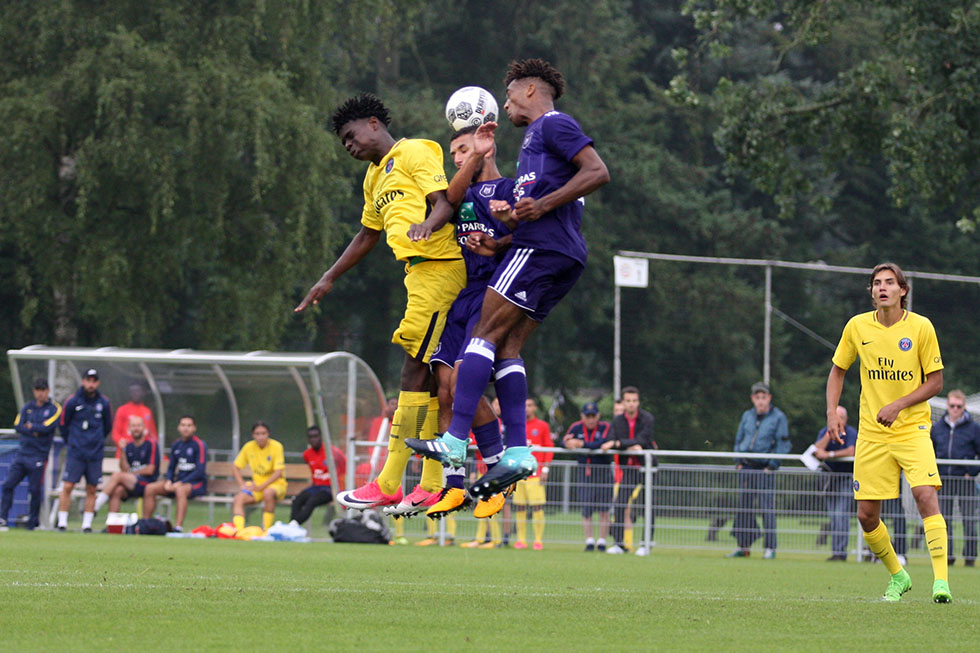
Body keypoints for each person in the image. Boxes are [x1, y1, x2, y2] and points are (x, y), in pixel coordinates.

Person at [416, 58, 610, 502]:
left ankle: (455, 439)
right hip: (555, 253)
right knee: (507, 346)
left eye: (508, 96)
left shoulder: (551, 125)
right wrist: (504, 235)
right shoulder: (534, 145)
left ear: (528, 91)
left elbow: (597, 172)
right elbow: (558, 201)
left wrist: (538, 210)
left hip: (541, 250)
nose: (504, 106)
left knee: (482, 335)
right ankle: (518, 451)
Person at [295, 93, 466, 514]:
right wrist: (328, 277)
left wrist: (428, 224)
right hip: (418, 274)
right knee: (424, 373)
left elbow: (444, 199)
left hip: (441, 265)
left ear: (374, 123)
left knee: (413, 366)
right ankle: (429, 482)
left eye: (351, 136)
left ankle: (389, 481)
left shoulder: (414, 150)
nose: (349, 146)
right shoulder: (373, 179)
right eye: (343, 144)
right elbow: (367, 235)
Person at [404, 125, 515, 520]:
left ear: (487, 146)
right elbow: (449, 198)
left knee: (463, 378)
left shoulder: (510, 189)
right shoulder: (460, 194)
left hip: (492, 296)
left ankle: (500, 474)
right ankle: (453, 486)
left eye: (463, 150)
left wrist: (501, 238)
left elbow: (525, 235)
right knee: (443, 387)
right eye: (453, 154)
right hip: (460, 298)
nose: (457, 158)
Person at [825, 262, 951, 602]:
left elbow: (936, 382)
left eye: (889, 283)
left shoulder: (921, 328)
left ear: (902, 290)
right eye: (876, 283)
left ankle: (941, 582)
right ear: (871, 292)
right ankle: (898, 576)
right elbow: (838, 372)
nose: (882, 288)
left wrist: (898, 405)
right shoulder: (857, 327)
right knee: (866, 515)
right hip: (871, 434)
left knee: (926, 495)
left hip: (912, 429)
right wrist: (831, 414)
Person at [728, 381, 790, 559]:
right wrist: (738, 460)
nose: (761, 401)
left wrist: (772, 465)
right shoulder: (747, 416)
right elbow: (739, 438)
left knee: (766, 508)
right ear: (752, 399)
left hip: (765, 469)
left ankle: (770, 548)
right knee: (744, 508)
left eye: (764, 397)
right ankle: (743, 546)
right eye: (757, 397)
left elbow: (783, 443)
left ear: (769, 398)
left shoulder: (778, 417)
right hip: (746, 467)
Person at [602, 386, 657, 555]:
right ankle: (619, 544)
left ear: (638, 402)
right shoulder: (618, 421)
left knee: (648, 505)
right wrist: (622, 443)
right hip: (629, 468)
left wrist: (619, 444)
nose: (631, 404)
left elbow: (642, 439)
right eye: (628, 401)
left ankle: (645, 543)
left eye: (634, 401)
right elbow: (611, 438)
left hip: (647, 467)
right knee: (620, 503)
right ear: (623, 402)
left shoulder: (647, 418)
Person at [1, 379, 61, 529]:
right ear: (34, 391)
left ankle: (32, 523)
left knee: (34, 490)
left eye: (43, 390)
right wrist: (34, 429)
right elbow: (17, 426)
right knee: (8, 484)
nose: (40, 393)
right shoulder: (27, 407)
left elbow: (47, 428)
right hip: (22, 454)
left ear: (48, 391)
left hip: (39, 455)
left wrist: (32, 427)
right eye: (37, 390)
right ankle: (2, 518)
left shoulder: (54, 408)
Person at [57, 369, 112, 532]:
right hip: (76, 452)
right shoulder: (73, 401)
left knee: (92, 488)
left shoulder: (104, 402)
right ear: (83, 381)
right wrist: (73, 442)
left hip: (94, 453)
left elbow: (107, 426)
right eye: (88, 380)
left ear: (98, 383)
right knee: (68, 486)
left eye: (94, 381)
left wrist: (96, 441)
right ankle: (62, 523)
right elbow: (63, 424)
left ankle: (87, 525)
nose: (91, 384)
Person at [930, 389, 980, 567]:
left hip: (965, 480)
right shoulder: (937, 428)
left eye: (959, 406)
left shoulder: (974, 429)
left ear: (964, 407)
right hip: (943, 480)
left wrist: (971, 472)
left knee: (969, 519)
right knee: (944, 520)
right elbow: (929, 451)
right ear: (947, 406)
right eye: (952, 406)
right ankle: (947, 556)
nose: (955, 409)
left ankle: (970, 557)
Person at [142, 415, 208, 532]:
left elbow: (200, 470)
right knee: (150, 488)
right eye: (183, 425)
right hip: (177, 483)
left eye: (189, 425)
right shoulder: (176, 445)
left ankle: (178, 528)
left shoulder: (199, 445)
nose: (186, 428)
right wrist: (168, 480)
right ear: (179, 428)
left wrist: (181, 482)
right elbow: (171, 467)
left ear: (194, 428)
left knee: (180, 490)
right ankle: (145, 524)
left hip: (196, 484)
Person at [563, 401, 613, 552]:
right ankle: (589, 541)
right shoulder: (576, 427)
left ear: (598, 416)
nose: (591, 419)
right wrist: (568, 443)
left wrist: (581, 444)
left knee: (604, 509)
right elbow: (564, 440)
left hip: (603, 473)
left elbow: (601, 443)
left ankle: (602, 541)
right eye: (587, 416)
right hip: (585, 472)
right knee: (586, 508)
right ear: (582, 416)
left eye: (593, 416)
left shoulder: (605, 427)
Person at [813, 405, 857, 561]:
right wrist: (829, 434)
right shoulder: (825, 431)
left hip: (845, 479)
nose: (838, 421)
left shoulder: (850, 433)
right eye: (835, 418)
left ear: (846, 420)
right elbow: (816, 449)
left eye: (841, 418)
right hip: (829, 481)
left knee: (841, 515)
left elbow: (851, 451)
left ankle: (840, 552)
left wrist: (829, 454)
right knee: (833, 516)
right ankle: (836, 551)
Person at [92, 415, 160, 516]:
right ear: (129, 429)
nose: (136, 428)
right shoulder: (129, 445)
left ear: (144, 428)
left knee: (117, 475)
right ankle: (112, 524)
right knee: (117, 490)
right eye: (133, 426)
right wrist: (122, 450)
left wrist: (130, 474)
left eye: (139, 425)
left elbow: (150, 470)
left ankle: (96, 505)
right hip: (132, 483)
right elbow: (124, 468)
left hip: (148, 483)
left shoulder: (151, 444)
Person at [511, 398, 553, 550]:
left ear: (534, 407)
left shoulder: (542, 426)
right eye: (524, 406)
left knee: (537, 507)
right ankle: (521, 540)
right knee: (520, 507)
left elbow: (549, 448)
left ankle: (538, 540)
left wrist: (545, 470)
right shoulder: (516, 425)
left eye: (529, 405)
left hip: (535, 474)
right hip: (519, 474)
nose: (526, 409)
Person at [232, 421, 287, 532]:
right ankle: (239, 532)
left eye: (263, 433)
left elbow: (278, 472)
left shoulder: (276, 446)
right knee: (238, 499)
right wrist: (242, 485)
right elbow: (235, 467)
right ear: (253, 435)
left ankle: (266, 531)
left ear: (268, 434)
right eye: (257, 434)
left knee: (268, 493)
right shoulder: (248, 447)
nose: (261, 437)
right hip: (257, 487)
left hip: (275, 485)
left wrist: (261, 487)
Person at [290, 425, 347, 527]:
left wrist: (340, 487)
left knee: (312, 501)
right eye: (311, 437)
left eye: (316, 436)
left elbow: (345, 468)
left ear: (321, 437)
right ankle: (293, 527)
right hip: (316, 487)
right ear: (308, 439)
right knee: (297, 501)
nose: (313, 439)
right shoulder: (307, 454)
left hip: (330, 489)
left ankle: (292, 526)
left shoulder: (332, 452)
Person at [110, 383, 158, 452]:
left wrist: (158, 451)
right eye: (133, 391)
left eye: (138, 391)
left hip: (143, 453)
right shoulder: (122, 410)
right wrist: (122, 443)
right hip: (125, 452)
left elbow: (153, 434)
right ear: (130, 393)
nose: (136, 394)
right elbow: (116, 434)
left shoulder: (147, 411)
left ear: (142, 393)